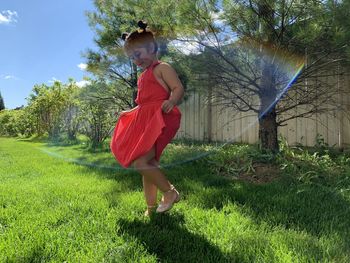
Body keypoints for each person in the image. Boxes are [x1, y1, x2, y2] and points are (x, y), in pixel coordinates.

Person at [110, 21, 184, 216]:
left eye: (138, 54)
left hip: (160, 119)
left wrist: (172, 100)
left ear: (151, 48)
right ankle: (151, 208)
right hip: (146, 121)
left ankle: (170, 192)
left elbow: (178, 87)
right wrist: (130, 112)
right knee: (148, 166)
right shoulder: (144, 75)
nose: (136, 60)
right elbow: (144, 104)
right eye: (132, 57)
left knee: (141, 163)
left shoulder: (162, 68)